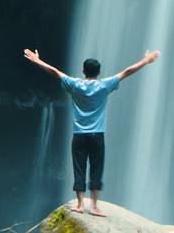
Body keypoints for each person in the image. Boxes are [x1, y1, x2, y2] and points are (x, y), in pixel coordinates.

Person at [23, 47, 161, 216]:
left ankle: (81, 204)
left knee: (79, 168)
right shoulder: (104, 85)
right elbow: (127, 71)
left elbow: (54, 71)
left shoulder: (74, 85)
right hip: (97, 136)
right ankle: (94, 206)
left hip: (79, 135)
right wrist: (146, 61)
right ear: (99, 72)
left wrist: (37, 60)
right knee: (96, 169)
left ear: (83, 71)